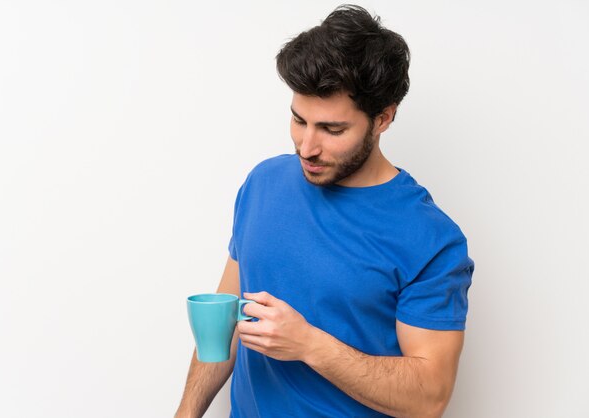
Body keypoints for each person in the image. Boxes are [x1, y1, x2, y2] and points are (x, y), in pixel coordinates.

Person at [175, 4, 474, 418]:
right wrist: (186, 413)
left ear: (383, 118)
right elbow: (222, 322)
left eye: (332, 129)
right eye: (299, 120)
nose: (307, 147)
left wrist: (310, 345)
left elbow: (429, 397)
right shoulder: (264, 183)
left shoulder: (430, 239)